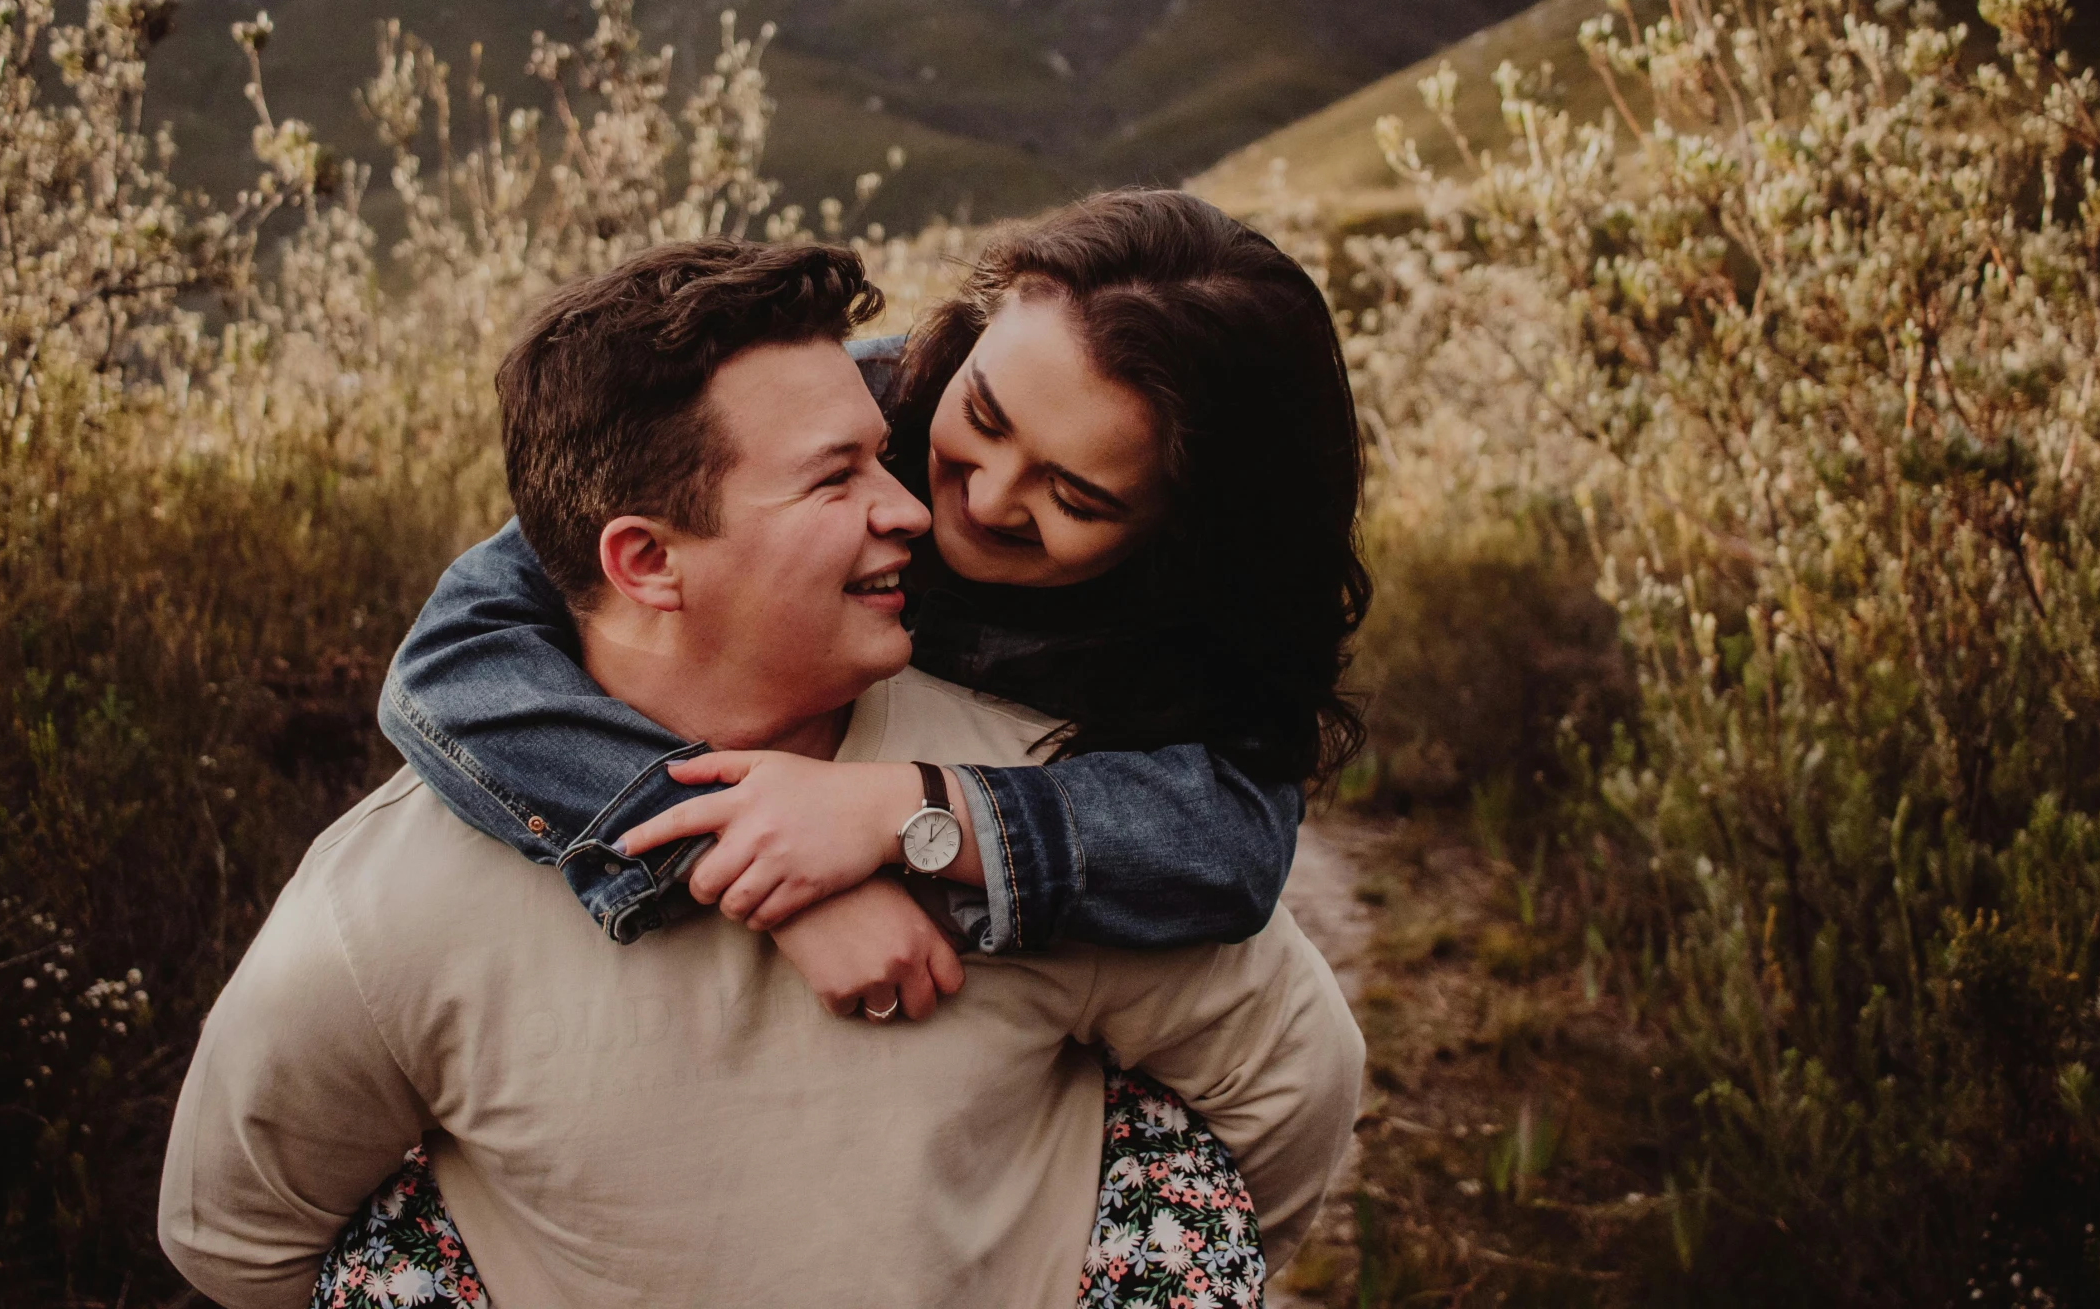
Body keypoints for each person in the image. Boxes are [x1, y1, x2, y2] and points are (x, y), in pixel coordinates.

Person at [158, 239, 1365, 1309]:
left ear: (1178, 534)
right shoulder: (859, 398)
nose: (958, 502)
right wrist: (744, 854)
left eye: (1079, 494)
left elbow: (1250, 933)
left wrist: (916, 814)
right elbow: (454, 660)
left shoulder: (1118, 724)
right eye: (970, 424)